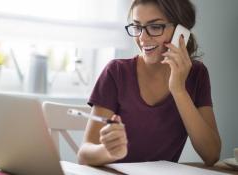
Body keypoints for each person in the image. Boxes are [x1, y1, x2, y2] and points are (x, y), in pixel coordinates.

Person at [77, 0, 221, 166]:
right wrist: (108, 151)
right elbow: (84, 154)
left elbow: (211, 154)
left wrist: (179, 90)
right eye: (137, 27)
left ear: (181, 32)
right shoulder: (116, 72)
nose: (142, 38)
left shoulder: (197, 75)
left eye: (155, 27)